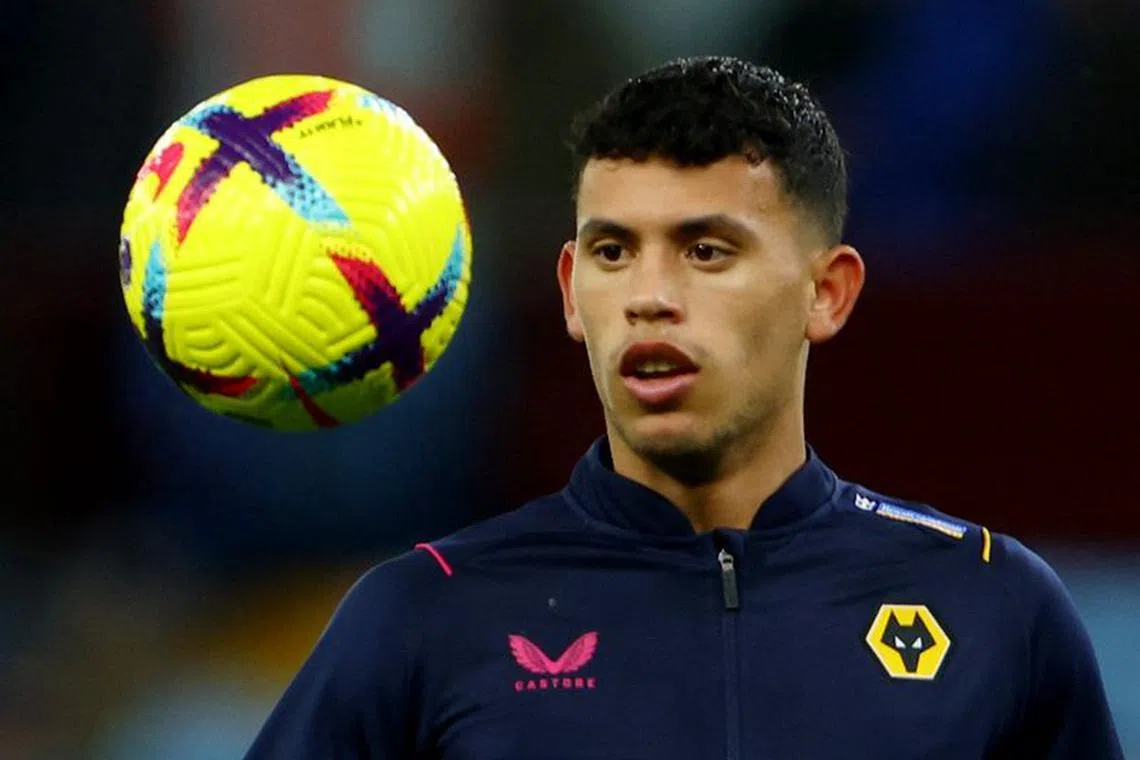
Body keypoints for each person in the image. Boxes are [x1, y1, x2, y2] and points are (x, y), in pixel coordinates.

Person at [243, 56, 1123, 759]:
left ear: (828, 293)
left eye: (706, 250)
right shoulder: (423, 615)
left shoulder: (990, 607)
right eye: (614, 251)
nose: (648, 296)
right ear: (568, 291)